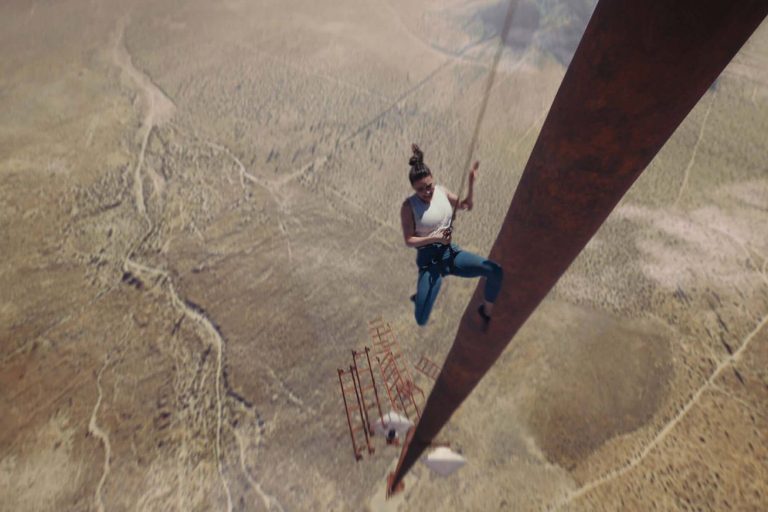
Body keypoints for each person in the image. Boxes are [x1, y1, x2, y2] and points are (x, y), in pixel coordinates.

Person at [400, 144, 503, 326]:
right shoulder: (409, 207)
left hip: (450, 254)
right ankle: (422, 295)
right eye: (420, 189)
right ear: (413, 188)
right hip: (429, 262)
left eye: (429, 186)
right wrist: (436, 238)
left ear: (433, 179)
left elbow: (465, 205)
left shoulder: (441, 191)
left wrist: (471, 183)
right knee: (421, 319)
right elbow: (409, 240)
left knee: (495, 271)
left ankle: (486, 311)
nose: (427, 192)